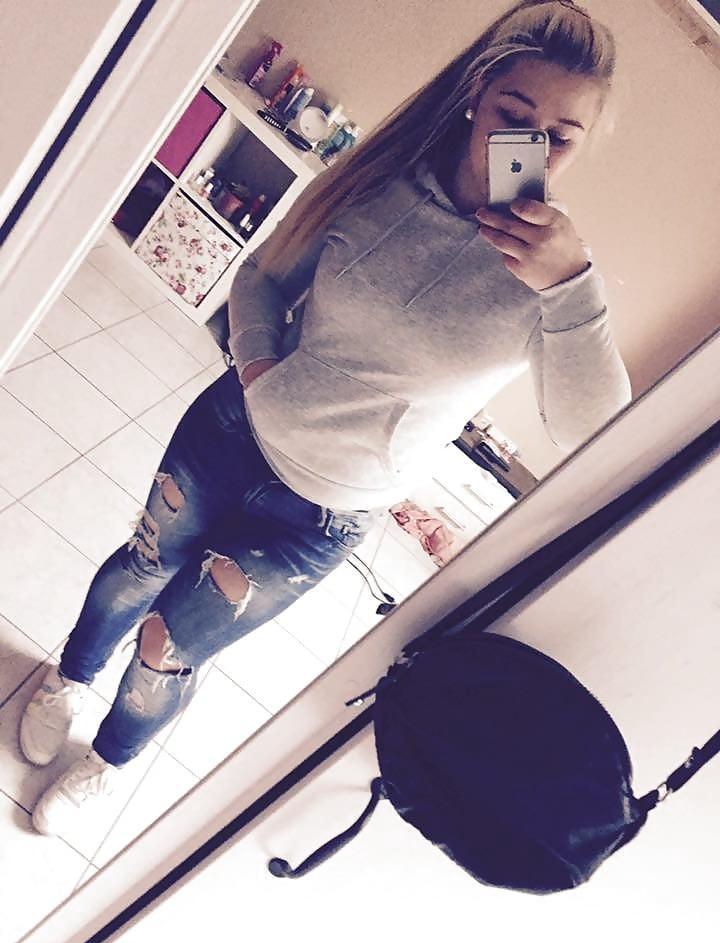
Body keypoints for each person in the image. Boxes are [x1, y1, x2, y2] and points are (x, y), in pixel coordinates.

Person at [22, 0, 631, 836]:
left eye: (559, 136)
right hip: (230, 434)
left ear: (581, 146)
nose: (529, 143)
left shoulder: (551, 280)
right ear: (475, 97)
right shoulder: (381, 184)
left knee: (171, 647)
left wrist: (572, 287)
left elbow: (599, 436)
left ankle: (105, 762)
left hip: (324, 515)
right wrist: (260, 368)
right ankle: (68, 677)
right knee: (140, 569)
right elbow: (260, 280)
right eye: (513, 114)